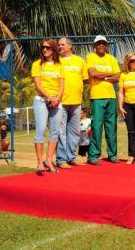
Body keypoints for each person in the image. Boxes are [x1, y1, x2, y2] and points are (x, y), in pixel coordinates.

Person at [86, 35, 121, 165]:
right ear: (95, 45)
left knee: (111, 127)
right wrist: (109, 76)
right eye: (99, 43)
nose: (101, 45)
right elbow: (92, 74)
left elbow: (118, 77)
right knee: (96, 126)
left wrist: (102, 77)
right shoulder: (90, 57)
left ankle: (112, 154)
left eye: (104, 43)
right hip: (97, 97)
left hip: (111, 97)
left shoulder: (111, 59)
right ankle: (94, 156)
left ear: (106, 45)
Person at [31, 39, 64, 173]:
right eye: (43, 47)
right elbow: (38, 86)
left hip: (56, 101)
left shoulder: (59, 66)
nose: (45, 50)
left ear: (53, 50)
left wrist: (57, 99)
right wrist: (50, 98)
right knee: (41, 130)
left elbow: (62, 86)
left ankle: (49, 161)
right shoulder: (37, 64)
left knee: (55, 131)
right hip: (41, 100)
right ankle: (40, 163)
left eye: (48, 48)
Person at [56, 37, 88, 168]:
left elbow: (85, 79)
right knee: (61, 132)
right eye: (59, 45)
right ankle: (61, 159)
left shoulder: (80, 61)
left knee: (74, 131)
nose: (60, 46)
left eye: (62, 44)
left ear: (70, 46)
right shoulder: (56, 61)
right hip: (61, 101)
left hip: (76, 101)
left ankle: (71, 157)